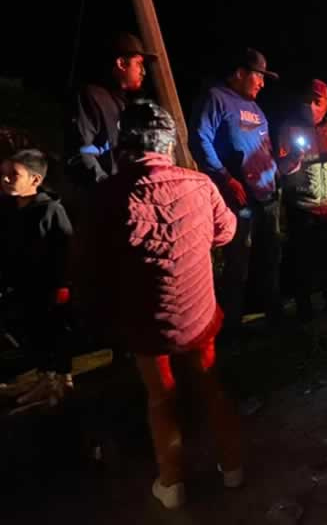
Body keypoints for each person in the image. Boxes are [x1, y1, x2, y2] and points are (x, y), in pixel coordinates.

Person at [89, 101, 241, 509]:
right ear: (169, 143)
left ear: (126, 145)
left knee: (161, 398)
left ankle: (172, 484)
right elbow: (227, 231)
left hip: (148, 323)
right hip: (198, 314)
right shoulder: (201, 185)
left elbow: (94, 261)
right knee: (211, 386)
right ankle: (232, 469)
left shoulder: (110, 195)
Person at [189, 48, 301, 344]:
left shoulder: (257, 110)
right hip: (240, 198)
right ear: (240, 73)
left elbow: (262, 150)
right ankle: (231, 329)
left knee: (270, 259)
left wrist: (281, 166)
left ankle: (273, 317)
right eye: (259, 76)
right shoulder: (217, 98)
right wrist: (225, 178)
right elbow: (200, 139)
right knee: (239, 262)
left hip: (268, 195)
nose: (262, 83)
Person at [0, 150, 74, 401]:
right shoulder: (9, 210)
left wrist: (62, 285)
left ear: (35, 179)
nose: (6, 179)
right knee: (30, 332)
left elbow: (65, 248)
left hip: (48, 287)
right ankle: (45, 378)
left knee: (53, 332)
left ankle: (61, 381)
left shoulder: (50, 210)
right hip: (20, 286)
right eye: (4, 174)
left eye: (14, 174)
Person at [278, 79, 327, 332]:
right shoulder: (288, 129)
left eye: (317, 102)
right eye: (307, 101)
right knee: (302, 263)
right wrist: (293, 159)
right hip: (302, 208)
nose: (310, 107)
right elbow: (281, 169)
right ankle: (304, 311)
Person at [66, 33, 155, 187]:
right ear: (121, 63)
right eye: (139, 64)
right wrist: (106, 187)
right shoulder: (92, 96)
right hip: (103, 198)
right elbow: (81, 151)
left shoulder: (128, 103)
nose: (143, 72)